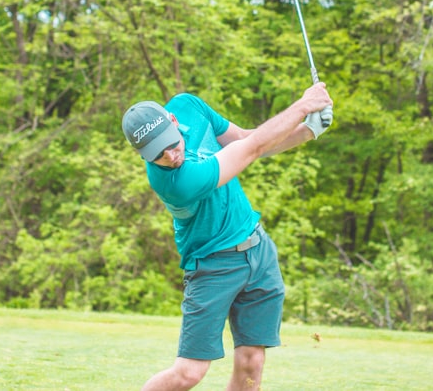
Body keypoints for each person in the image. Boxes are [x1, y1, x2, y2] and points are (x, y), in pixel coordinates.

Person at [121, 82, 333, 391]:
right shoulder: (176, 182)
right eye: (157, 153)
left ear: (173, 121)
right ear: (142, 154)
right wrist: (302, 106)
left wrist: (308, 130)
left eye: (170, 143)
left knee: (251, 363)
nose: (170, 155)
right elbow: (252, 149)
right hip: (212, 266)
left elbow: (247, 139)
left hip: (258, 251)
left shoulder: (188, 106)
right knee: (189, 373)